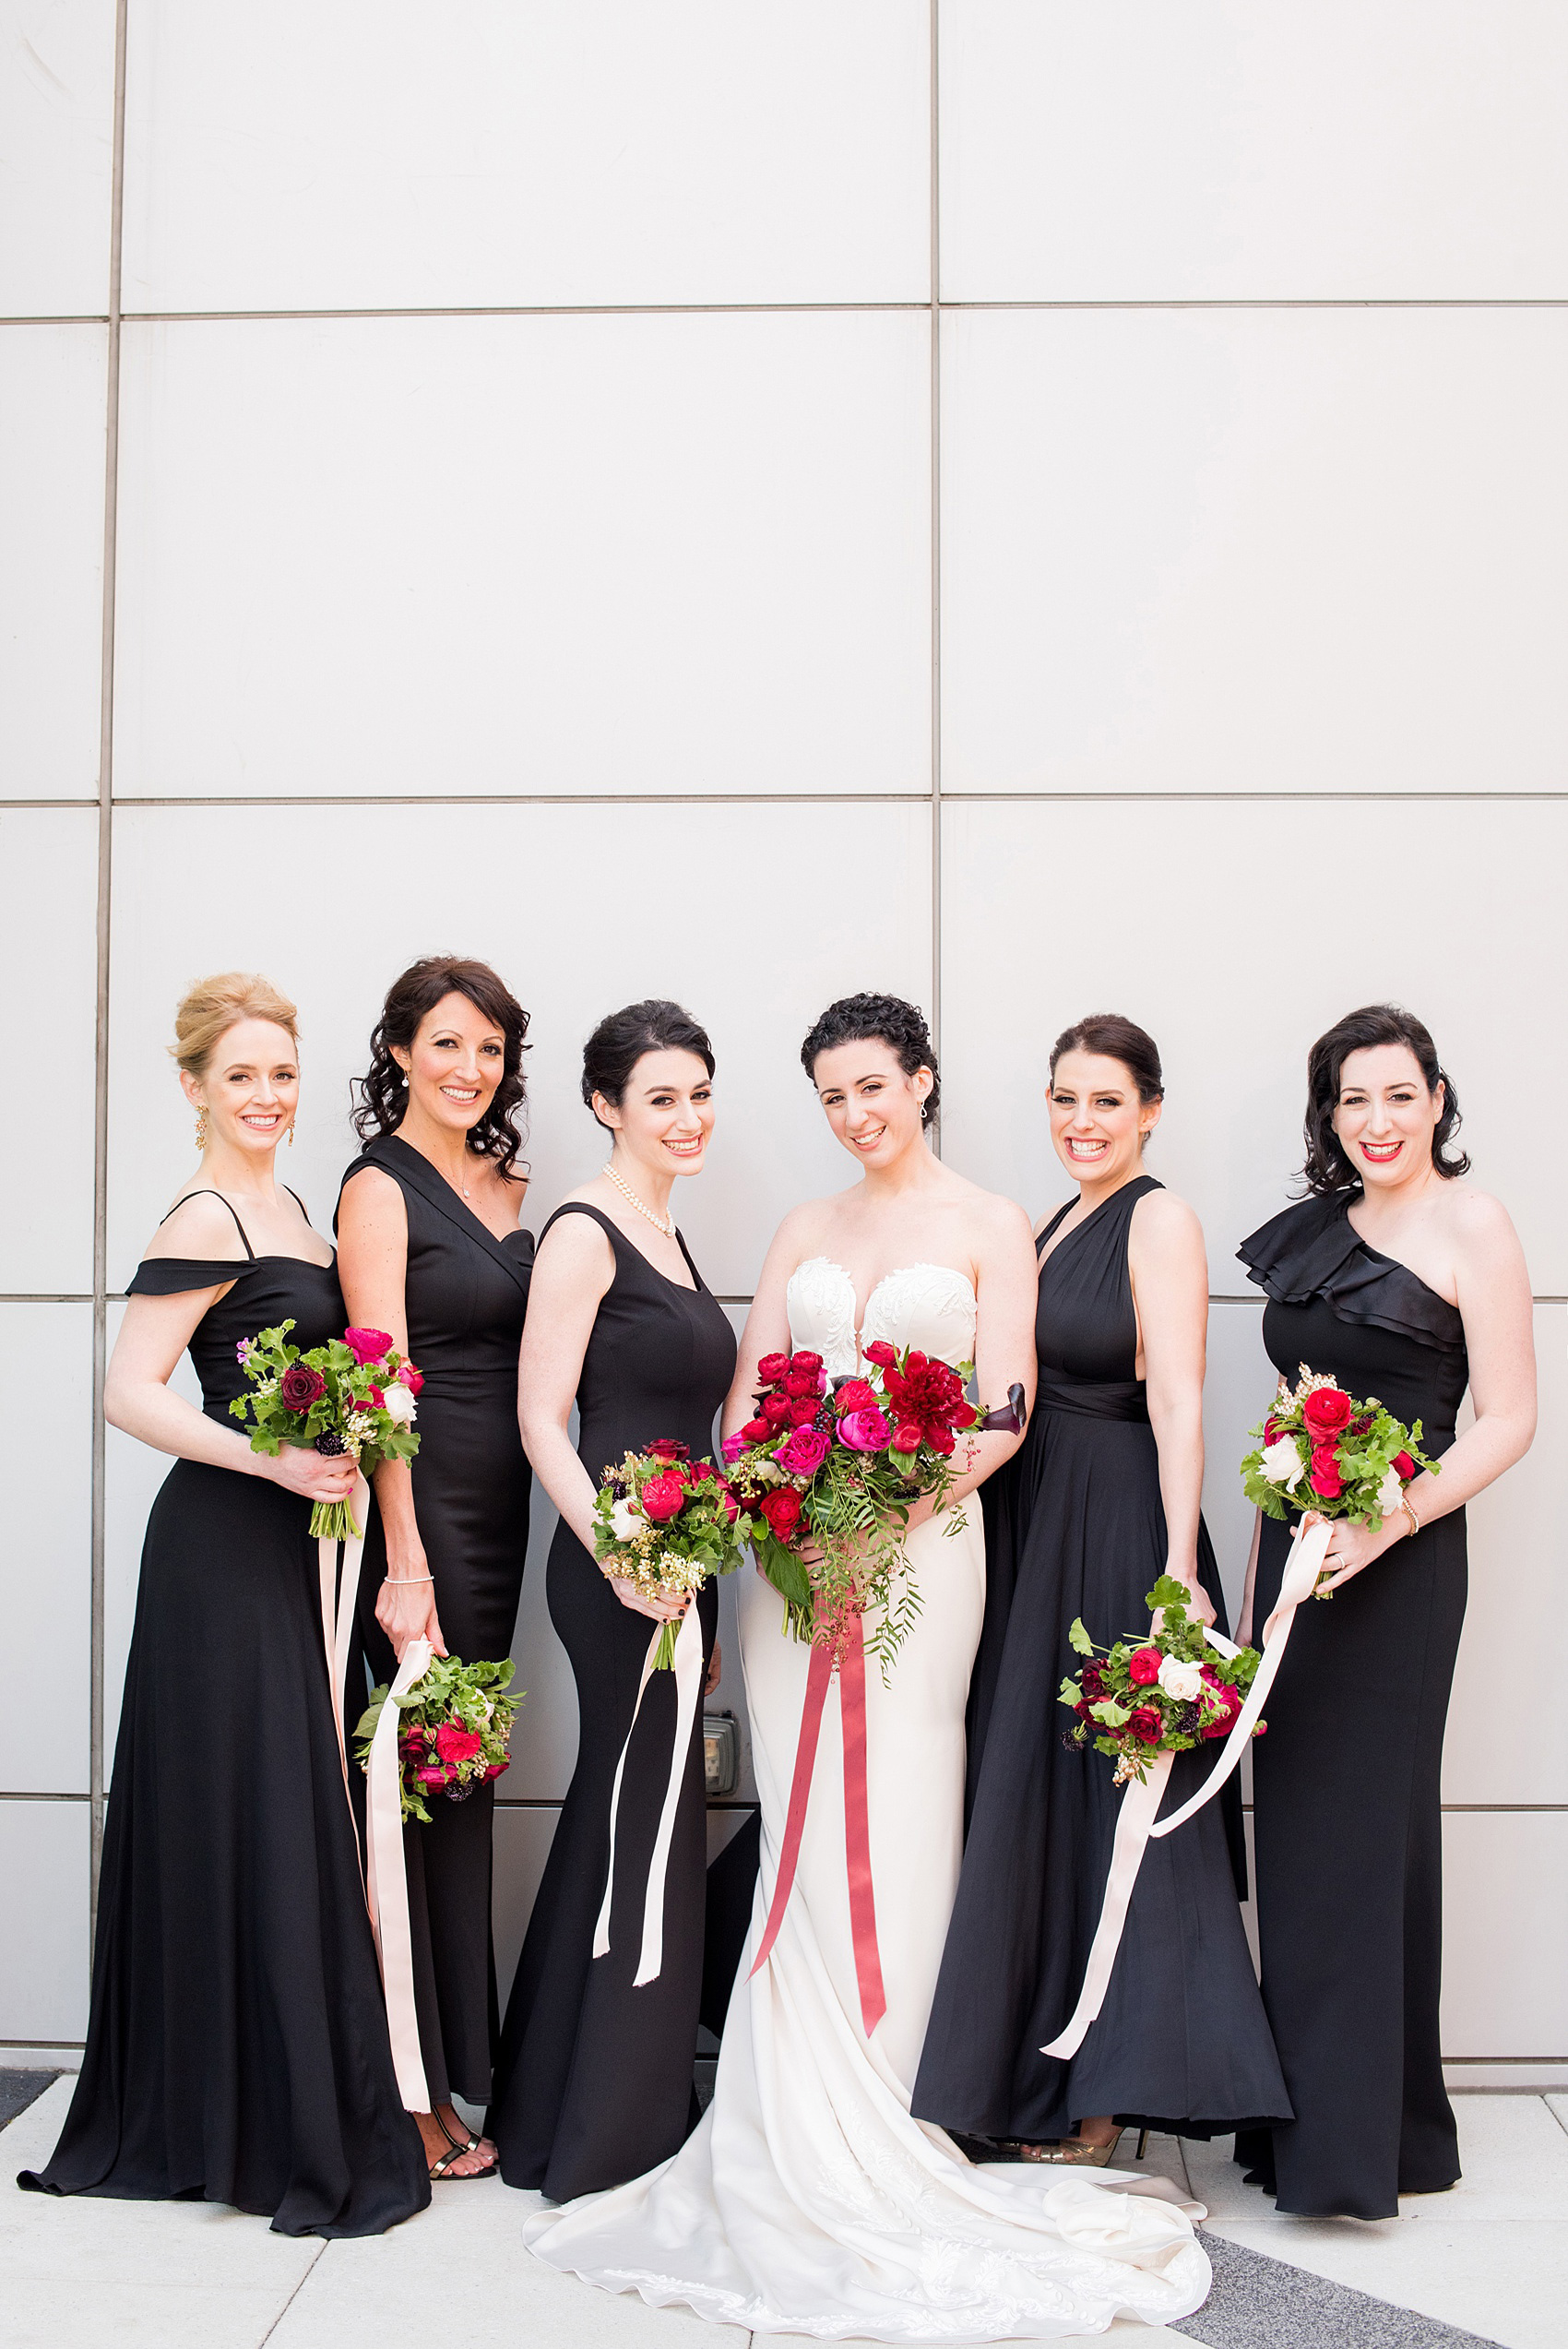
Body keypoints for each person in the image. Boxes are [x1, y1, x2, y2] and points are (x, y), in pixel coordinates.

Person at [519, 994, 1211, 2340]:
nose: (856, 1115)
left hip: (923, 1551)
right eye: (833, 1095)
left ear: (924, 1079)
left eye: (874, 1086)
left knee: (898, 1806)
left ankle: (898, 2103)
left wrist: (886, 1504)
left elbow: (1005, 1409)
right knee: (797, 1803)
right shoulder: (803, 1229)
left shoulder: (990, 1221)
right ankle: (784, 2108)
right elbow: (744, 1397)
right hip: (788, 1564)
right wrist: (779, 1498)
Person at [20, 975, 428, 2236]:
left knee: (279, 1810)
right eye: (241, 1074)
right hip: (223, 1548)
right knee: (252, 1808)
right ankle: (230, 2114)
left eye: (283, 1073)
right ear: (192, 1085)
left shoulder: (293, 1207)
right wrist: (272, 1458)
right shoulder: (205, 1210)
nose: (267, 1096)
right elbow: (127, 1389)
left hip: (299, 1540)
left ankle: (257, 2103)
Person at [913, 1014, 1289, 2161]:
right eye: (1064, 1099)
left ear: (1150, 1109)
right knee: (1030, 1783)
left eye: (1105, 1102)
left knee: (1105, 1790)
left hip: (1119, 1514)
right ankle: (1025, 2070)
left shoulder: (1158, 1216)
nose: (1081, 1122)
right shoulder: (1053, 1217)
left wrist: (1177, 1560)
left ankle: (1103, 2089)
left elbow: (1178, 1395)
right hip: (1035, 1516)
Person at [1234, 1004, 1535, 2221]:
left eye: (1397, 1095)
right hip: (1295, 1549)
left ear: (1439, 1098)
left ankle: (1364, 2144)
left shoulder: (1476, 1222)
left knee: (1369, 1839)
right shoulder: (1319, 1227)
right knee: (1299, 1841)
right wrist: (1269, 1576)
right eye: (1353, 1099)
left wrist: (1388, 1517)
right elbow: (1286, 1406)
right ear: (1331, 1113)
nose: (1376, 1120)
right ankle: (1305, 2121)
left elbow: (1508, 1418)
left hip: (1400, 1562)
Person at [489, 1001, 735, 2201]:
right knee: (632, 1814)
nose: (688, 1119)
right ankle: (601, 2121)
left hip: (694, 1567)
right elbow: (542, 1415)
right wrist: (619, 1554)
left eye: (699, 1094)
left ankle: (568, 2095)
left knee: (643, 1818)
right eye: (661, 1099)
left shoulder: (674, 1237)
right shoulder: (584, 1231)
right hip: (617, 1570)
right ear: (604, 1106)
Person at [337, 955, 534, 2181]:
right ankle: (404, 2090)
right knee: (410, 1793)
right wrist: (401, 1557)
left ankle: (459, 2067)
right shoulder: (376, 1187)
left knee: (463, 1792)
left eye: (493, 1050)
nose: (471, 1070)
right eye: (448, 1044)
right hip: (421, 1524)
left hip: (505, 1515)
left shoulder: (514, 1185)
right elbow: (379, 1379)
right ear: (402, 1050)